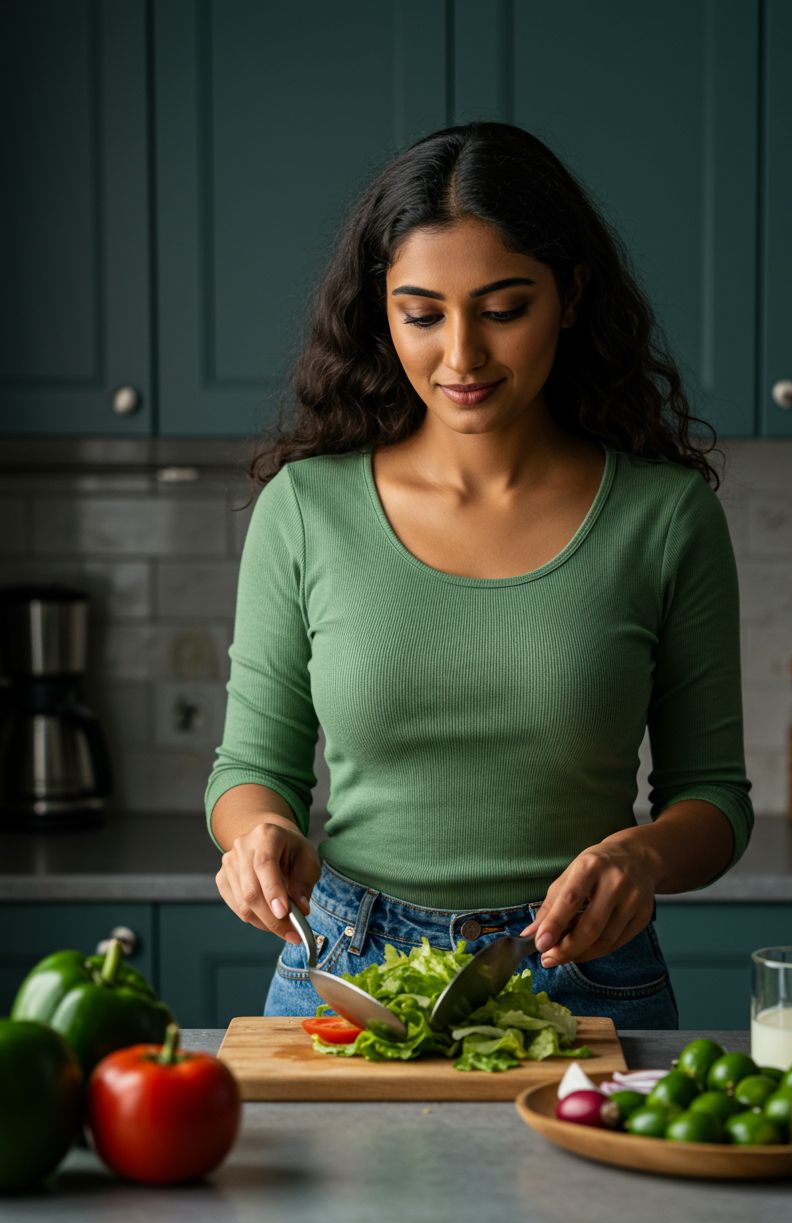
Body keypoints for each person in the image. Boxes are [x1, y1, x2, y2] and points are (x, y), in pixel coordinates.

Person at [205, 121, 753, 1029]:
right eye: (422, 314)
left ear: (571, 295)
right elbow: (251, 767)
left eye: (503, 310)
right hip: (344, 970)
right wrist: (259, 835)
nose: (460, 357)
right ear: (382, 309)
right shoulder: (305, 508)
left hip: (579, 971)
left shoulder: (664, 517)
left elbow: (713, 798)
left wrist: (644, 860)